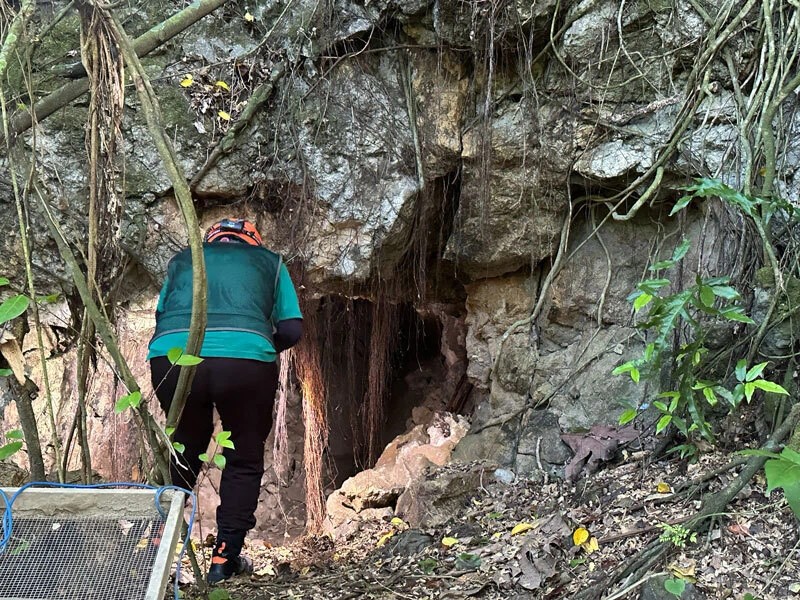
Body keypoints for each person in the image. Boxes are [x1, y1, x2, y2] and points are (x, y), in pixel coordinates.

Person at [147, 218, 302, 584]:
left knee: (184, 448)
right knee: (244, 456)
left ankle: (155, 538)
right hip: (246, 361)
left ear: (212, 241)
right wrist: (258, 346)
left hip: (172, 356)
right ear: (252, 242)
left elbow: (160, 319)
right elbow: (293, 328)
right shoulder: (271, 262)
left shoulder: (184, 260)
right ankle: (223, 559)